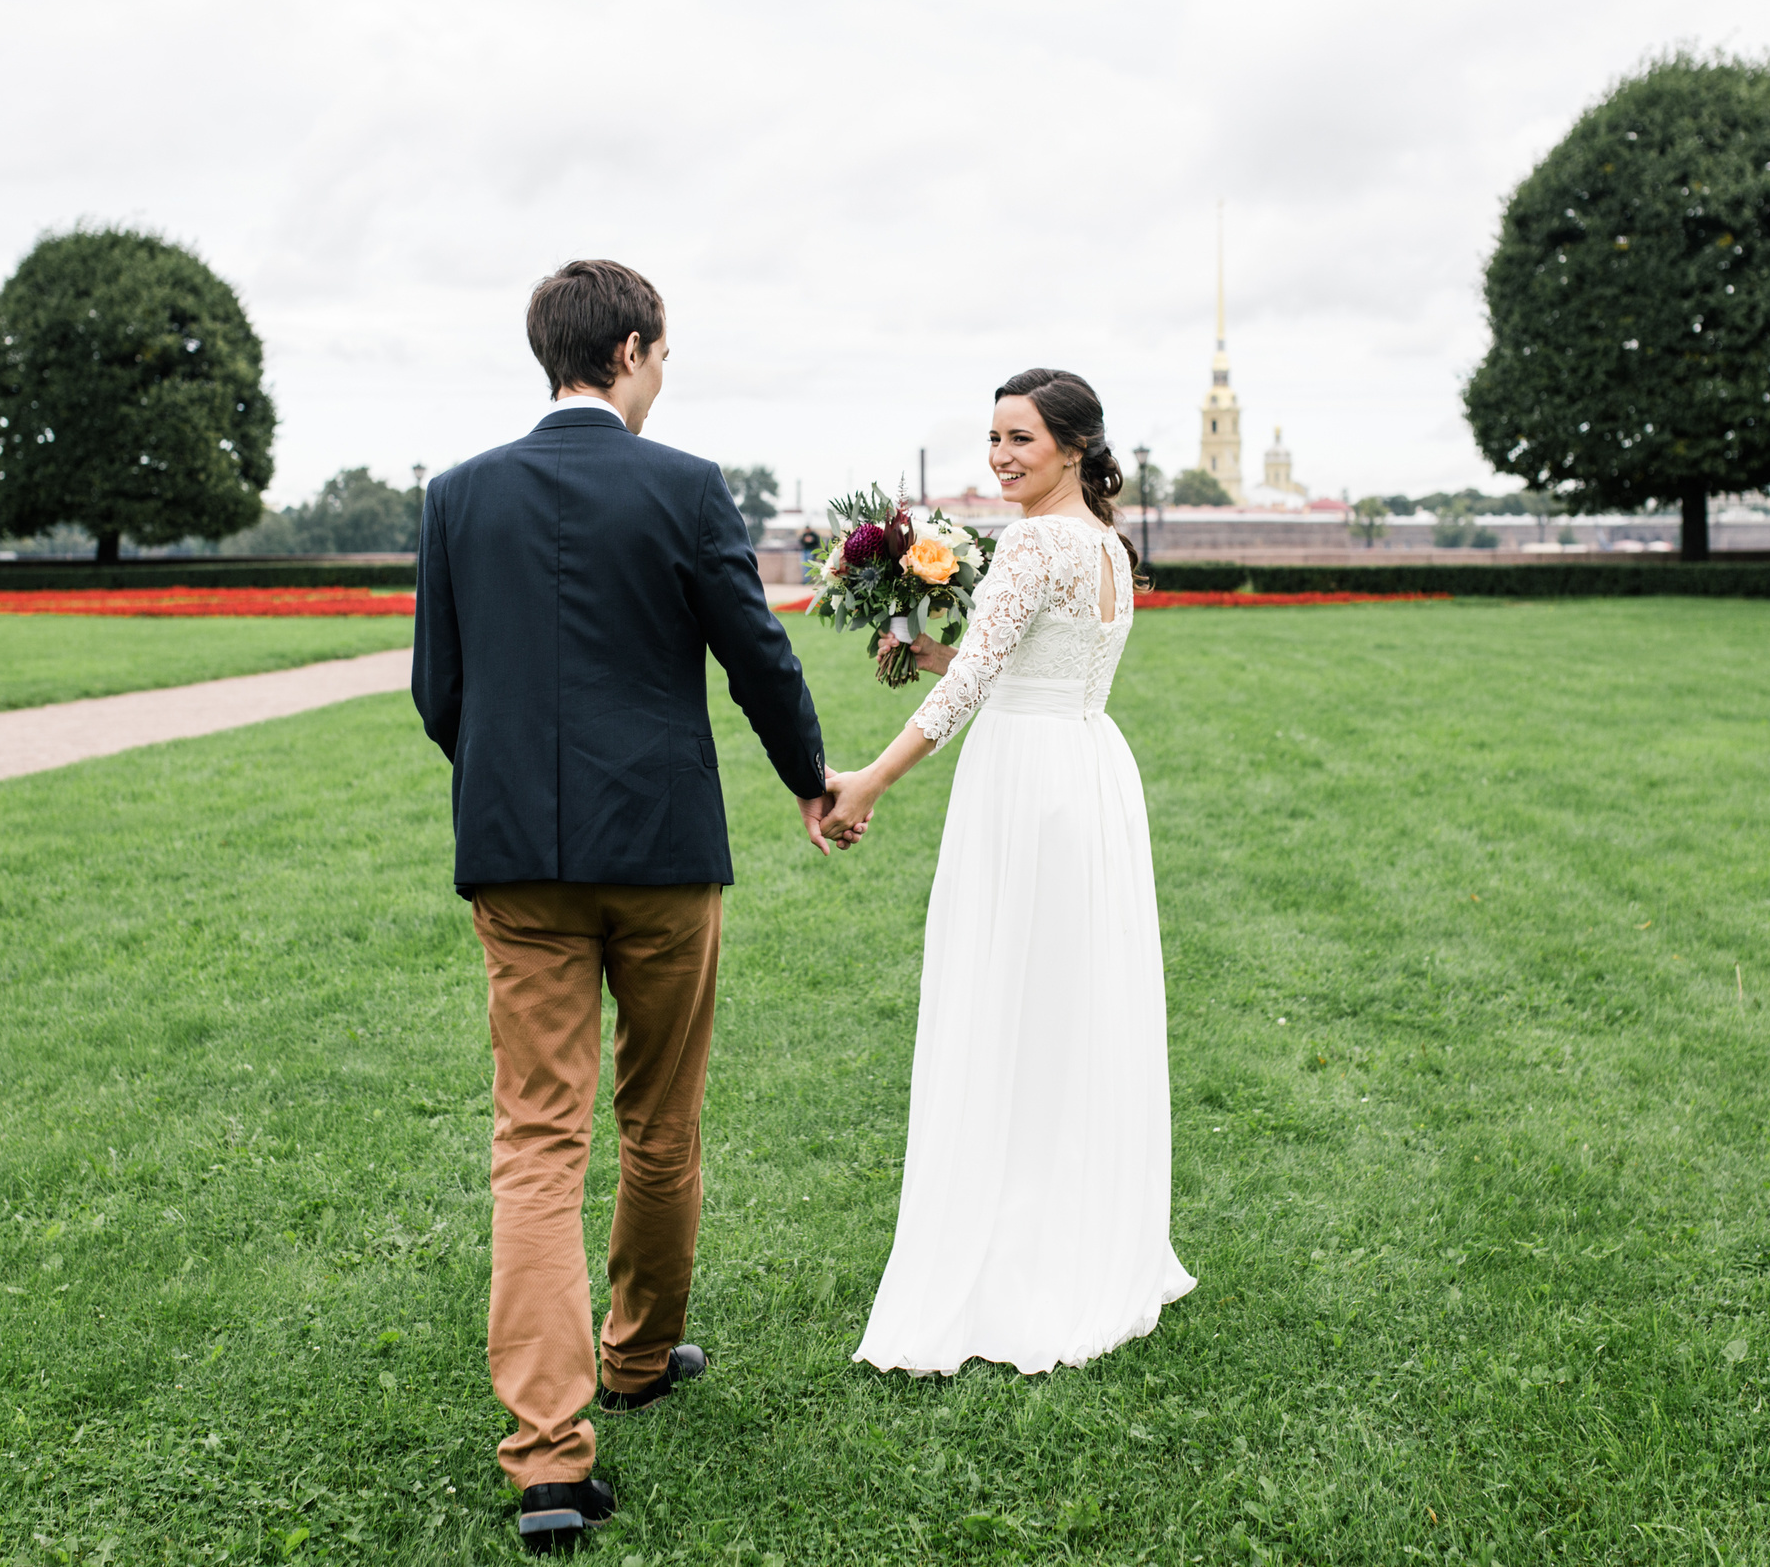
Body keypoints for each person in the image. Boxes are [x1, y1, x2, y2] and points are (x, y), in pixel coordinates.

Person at [412, 259, 846, 1553]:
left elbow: (442, 687)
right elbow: (755, 649)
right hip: (662, 850)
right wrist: (811, 779)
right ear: (638, 349)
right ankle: (640, 1353)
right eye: (667, 354)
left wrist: (506, 797)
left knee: (536, 1143)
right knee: (660, 1117)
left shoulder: (458, 494)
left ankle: (549, 1459)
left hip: (516, 863)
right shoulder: (683, 484)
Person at [824, 367, 1194, 1376]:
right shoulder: (1108, 546)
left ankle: (1015, 1248)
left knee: (1008, 995)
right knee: (1069, 1001)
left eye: (1020, 438)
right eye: (992, 437)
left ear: (1073, 445)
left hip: (1027, 782)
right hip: (1086, 768)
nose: (999, 455)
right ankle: (1080, 1228)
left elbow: (985, 681)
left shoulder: (1036, 541)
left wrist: (868, 779)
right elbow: (1015, 661)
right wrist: (927, 650)